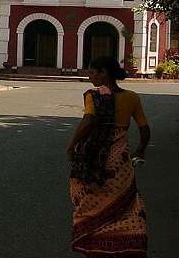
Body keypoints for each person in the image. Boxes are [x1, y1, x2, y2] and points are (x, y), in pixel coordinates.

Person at [67, 56, 151, 257]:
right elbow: (144, 129)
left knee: (90, 200)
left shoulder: (92, 96)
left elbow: (88, 121)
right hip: (120, 162)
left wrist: (71, 145)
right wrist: (140, 150)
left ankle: (95, 243)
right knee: (125, 204)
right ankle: (126, 244)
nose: (89, 77)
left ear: (103, 73)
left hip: (95, 160)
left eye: (92, 72)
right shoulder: (132, 97)